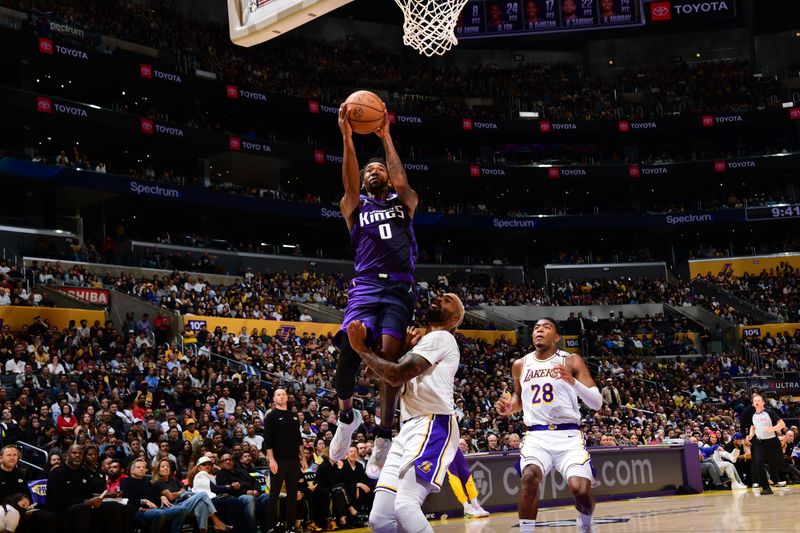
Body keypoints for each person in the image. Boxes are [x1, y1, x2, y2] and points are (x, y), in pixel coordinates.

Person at [331, 101, 419, 480]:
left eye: (378, 169)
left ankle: (384, 435)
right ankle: (347, 417)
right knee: (352, 350)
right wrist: (348, 137)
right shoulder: (354, 205)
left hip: (399, 289)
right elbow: (349, 181)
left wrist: (386, 137)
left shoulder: (404, 202)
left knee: (388, 360)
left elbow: (401, 180)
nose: (373, 173)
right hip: (366, 287)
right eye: (369, 171)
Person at [346, 293, 465, 533]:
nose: (440, 298)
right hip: (408, 428)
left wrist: (360, 347)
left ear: (454, 318)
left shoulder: (442, 337)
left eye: (447, 300)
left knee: (405, 505)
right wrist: (401, 348)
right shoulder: (424, 343)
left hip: (433, 423)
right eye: (440, 296)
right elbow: (376, 373)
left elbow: (395, 375)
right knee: (379, 519)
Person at [496, 318, 603, 533]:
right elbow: (519, 400)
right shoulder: (520, 364)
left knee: (580, 491)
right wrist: (509, 407)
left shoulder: (571, 360)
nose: (539, 330)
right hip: (537, 436)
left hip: (569, 436)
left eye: (546, 327)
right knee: (529, 477)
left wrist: (573, 382)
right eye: (536, 328)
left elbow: (596, 402)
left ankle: (585, 523)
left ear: (556, 337)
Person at [46, 445, 129, 533]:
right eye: (74, 453)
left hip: (83, 507)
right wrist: (85, 502)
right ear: (67, 455)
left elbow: (89, 495)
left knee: (113, 505)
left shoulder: (83, 472)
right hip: (61, 510)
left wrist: (104, 497)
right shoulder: (57, 472)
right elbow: (58, 500)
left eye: (80, 453)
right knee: (84, 507)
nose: (78, 455)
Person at [264, 388, 305, 533]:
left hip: (294, 460)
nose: (281, 397)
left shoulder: (294, 416)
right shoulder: (271, 416)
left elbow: (299, 438)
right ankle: (270, 526)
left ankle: (291, 526)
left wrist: (303, 458)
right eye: (278, 395)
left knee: (293, 494)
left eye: (283, 394)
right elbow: (268, 440)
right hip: (278, 460)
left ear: (287, 397)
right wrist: (271, 460)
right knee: (274, 494)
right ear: (274, 399)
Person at [0, 446, 56, 533]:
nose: (12, 458)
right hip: (4, 510)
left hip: (23, 509)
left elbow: (27, 494)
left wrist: (27, 506)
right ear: (1, 458)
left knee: (49, 517)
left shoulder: (20, 474)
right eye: (9, 455)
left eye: (15, 455)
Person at [747, 393, 787, 495]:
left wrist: (772, 429)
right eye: (754, 400)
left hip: (773, 442)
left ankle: (795, 473)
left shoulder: (769, 412)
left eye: (758, 400)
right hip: (760, 443)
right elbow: (753, 427)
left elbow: (782, 424)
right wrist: (751, 435)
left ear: (763, 402)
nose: (756, 401)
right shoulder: (753, 416)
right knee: (758, 463)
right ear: (752, 403)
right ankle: (766, 488)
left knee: (781, 465)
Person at [446, 448, 489, 518]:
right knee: (453, 475)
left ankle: (475, 505)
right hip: (441, 447)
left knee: (466, 472)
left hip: (453, 444)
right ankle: (467, 508)